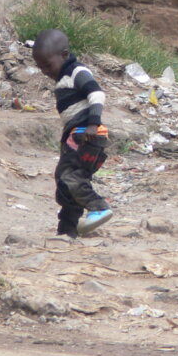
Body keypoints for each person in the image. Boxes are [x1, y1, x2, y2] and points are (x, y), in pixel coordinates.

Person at [32, 29, 112, 239]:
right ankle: (68, 229)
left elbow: (96, 93)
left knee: (70, 176)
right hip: (76, 137)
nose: (44, 72)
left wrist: (93, 124)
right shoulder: (63, 78)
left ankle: (99, 206)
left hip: (86, 135)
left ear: (64, 55)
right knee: (66, 182)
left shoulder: (77, 71)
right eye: (40, 68)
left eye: (47, 66)